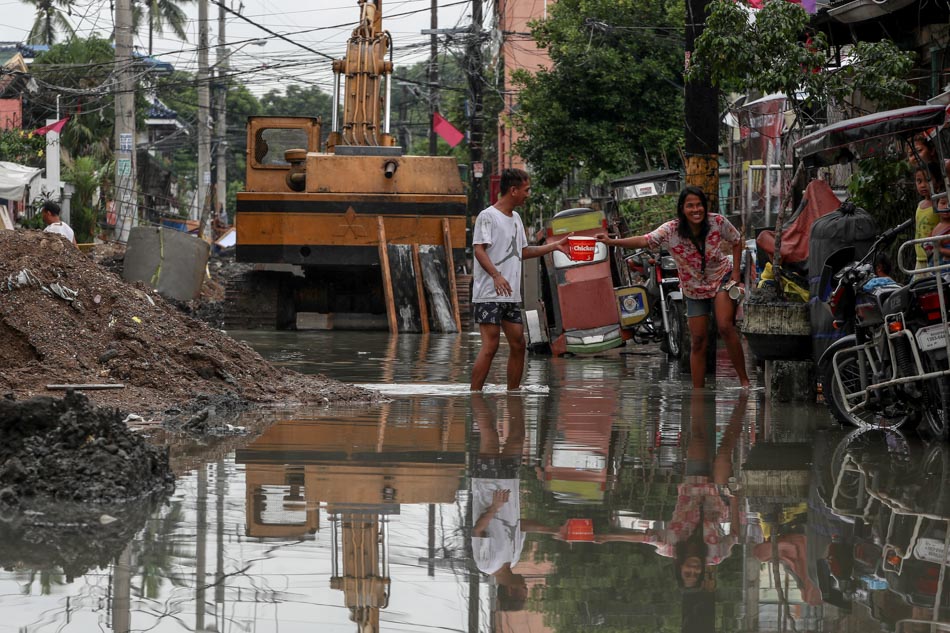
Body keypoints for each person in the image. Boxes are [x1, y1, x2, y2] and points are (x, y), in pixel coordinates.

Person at [596, 186, 750, 388]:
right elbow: (645, 239)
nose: (696, 210)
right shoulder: (670, 230)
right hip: (693, 288)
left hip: (721, 277)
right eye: (690, 206)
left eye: (699, 205)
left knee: (724, 326)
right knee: (697, 340)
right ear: (682, 209)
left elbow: (737, 240)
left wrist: (737, 274)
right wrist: (612, 242)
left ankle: (745, 382)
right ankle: (698, 393)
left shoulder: (717, 221)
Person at [470, 168, 569, 391]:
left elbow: (522, 251)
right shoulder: (488, 216)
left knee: (519, 344)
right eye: (526, 190)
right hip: (488, 293)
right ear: (513, 190)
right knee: (490, 346)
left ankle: (512, 393)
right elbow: (479, 250)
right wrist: (496, 275)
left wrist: (553, 247)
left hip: (511, 294)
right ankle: (474, 395)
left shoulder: (515, 218)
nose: (528, 194)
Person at [913, 161, 943, 272]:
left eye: (927, 180)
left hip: (935, 257)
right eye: (919, 181)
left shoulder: (939, 204)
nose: (922, 185)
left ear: (938, 182)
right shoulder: (920, 205)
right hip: (920, 258)